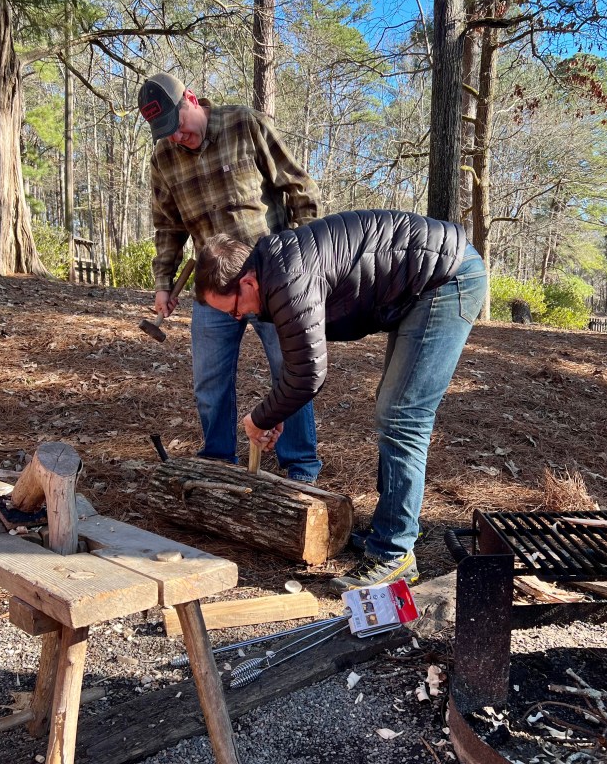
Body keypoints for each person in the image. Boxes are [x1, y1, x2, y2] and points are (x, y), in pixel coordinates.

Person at [193, 209, 487, 594]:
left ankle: (394, 554)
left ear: (247, 282)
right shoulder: (275, 269)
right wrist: (278, 412)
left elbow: (309, 375)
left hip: (447, 278)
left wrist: (259, 417)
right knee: (395, 410)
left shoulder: (287, 280)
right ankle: (390, 530)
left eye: (234, 309)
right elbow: (299, 366)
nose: (237, 318)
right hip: (423, 280)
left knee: (402, 417)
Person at [137, 72, 322, 484]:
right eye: (166, 132)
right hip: (212, 290)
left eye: (178, 124)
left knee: (290, 370)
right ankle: (219, 461)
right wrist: (164, 282)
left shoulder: (245, 124)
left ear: (191, 98)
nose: (177, 137)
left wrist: (303, 259)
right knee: (209, 379)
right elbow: (168, 226)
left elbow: (300, 189)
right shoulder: (164, 158)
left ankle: (300, 467)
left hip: (272, 281)